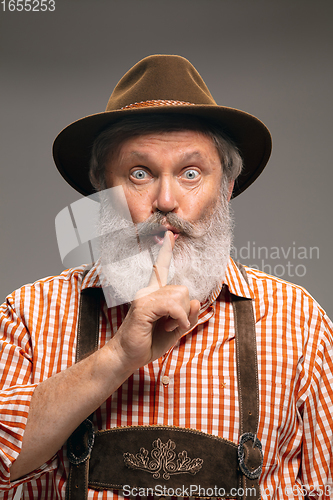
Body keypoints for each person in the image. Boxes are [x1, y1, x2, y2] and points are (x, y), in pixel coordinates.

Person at [0, 54, 332, 500]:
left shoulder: (301, 323)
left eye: (191, 173)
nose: (166, 201)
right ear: (103, 189)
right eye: (140, 174)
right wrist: (117, 356)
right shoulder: (28, 315)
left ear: (227, 188)